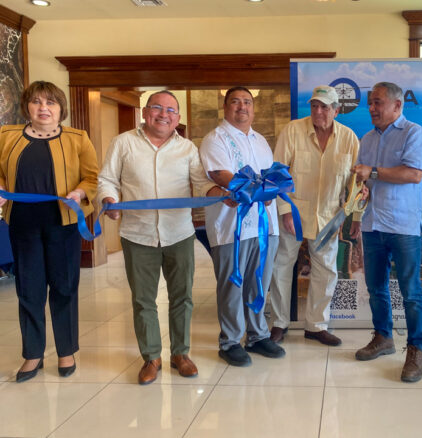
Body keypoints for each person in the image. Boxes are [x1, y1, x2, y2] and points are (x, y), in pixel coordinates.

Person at [98, 90, 220, 385]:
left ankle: (181, 354)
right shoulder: (123, 143)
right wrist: (109, 200)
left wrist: (222, 194)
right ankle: (151, 357)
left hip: (179, 234)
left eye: (170, 111)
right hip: (137, 235)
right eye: (157, 108)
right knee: (143, 300)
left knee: (182, 297)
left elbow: (201, 183)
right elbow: (107, 180)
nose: (163, 114)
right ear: (145, 112)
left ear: (177, 119)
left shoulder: (187, 148)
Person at [0, 81, 98, 382]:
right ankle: (33, 354)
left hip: (63, 223)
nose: (43, 108)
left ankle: (66, 351)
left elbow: (92, 178)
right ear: (27, 106)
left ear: (60, 108)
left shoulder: (78, 138)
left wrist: (79, 193)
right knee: (28, 289)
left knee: (64, 287)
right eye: (37, 102)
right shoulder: (5, 136)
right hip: (22, 224)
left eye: (51, 102)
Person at [199, 86, 285, 367]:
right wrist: (261, 190)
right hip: (231, 227)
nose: (242, 107)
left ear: (253, 108)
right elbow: (221, 175)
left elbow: (272, 176)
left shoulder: (260, 140)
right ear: (225, 107)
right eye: (235, 102)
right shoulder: (215, 139)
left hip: (265, 225)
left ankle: (258, 336)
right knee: (232, 286)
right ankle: (230, 341)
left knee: (259, 282)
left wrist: (272, 188)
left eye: (247, 102)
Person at [269, 85, 360, 346]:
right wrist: (285, 210)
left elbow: (356, 183)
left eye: (325, 107)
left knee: (326, 271)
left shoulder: (349, 138)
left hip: (329, 217)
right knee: (282, 267)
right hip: (293, 214)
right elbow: (277, 174)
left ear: (336, 110)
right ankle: (279, 323)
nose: (318, 111)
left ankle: (316, 326)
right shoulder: (293, 130)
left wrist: (354, 216)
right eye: (314, 106)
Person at [352, 82, 422, 383]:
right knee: (376, 288)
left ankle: (416, 350)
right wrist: (360, 198)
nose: (372, 108)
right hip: (372, 224)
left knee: (411, 293)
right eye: (370, 102)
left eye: (378, 102)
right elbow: (365, 183)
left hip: (403, 226)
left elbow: (413, 174)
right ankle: (383, 337)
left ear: (398, 105)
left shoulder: (414, 133)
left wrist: (372, 171)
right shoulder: (367, 139)